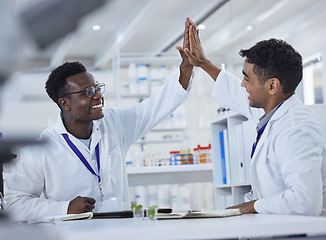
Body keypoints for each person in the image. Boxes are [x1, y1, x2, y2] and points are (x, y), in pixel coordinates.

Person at [4, 21, 194, 221]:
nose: (98, 95)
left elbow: (157, 106)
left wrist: (187, 66)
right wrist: (64, 208)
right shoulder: (41, 149)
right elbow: (15, 203)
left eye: (98, 88)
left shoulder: (115, 123)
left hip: (120, 231)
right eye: (88, 92)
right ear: (65, 103)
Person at [183, 18, 326, 216]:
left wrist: (248, 207)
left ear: (272, 86)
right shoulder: (272, 111)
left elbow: (303, 202)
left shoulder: (296, 128)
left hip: (312, 235)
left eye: (247, 78)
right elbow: (235, 93)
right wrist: (204, 64)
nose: (242, 84)